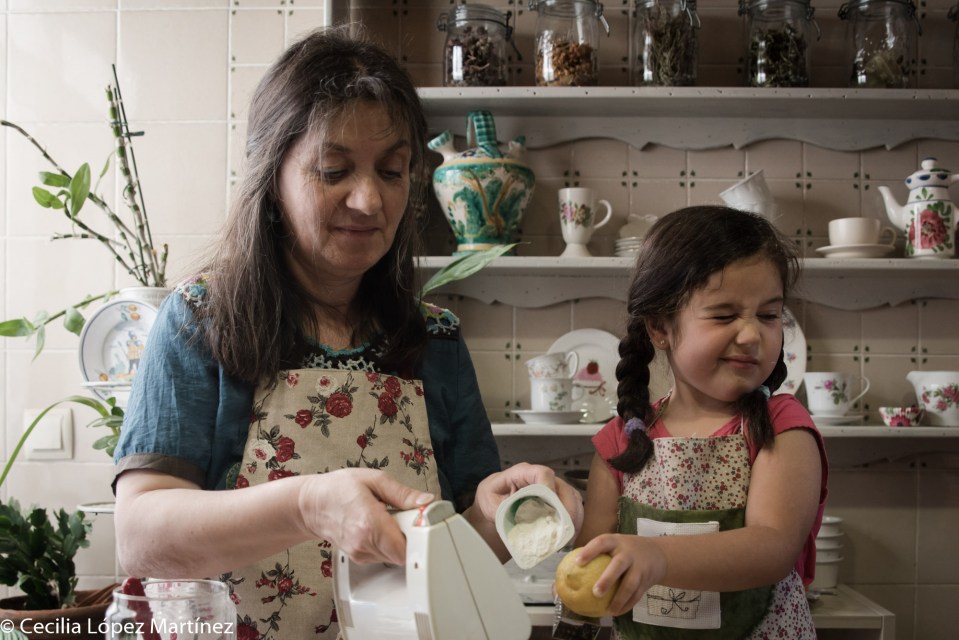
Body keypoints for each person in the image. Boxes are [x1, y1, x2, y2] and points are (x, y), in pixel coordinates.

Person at [112, 26, 582, 639]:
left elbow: (455, 554)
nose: (370, 200)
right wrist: (308, 506)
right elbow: (140, 538)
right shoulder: (202, 320)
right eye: (334, 170)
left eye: (392, 171)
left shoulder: (434, 340)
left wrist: (502, 516)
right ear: (271, 178)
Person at [572, 206, 828, 639]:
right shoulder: (621, 442)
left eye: (769, 315)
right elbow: (591, 565)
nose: (752, 335)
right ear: (660, 328)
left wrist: (657, 556)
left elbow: (773, 546)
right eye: (724, 315)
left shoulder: (782, 427)